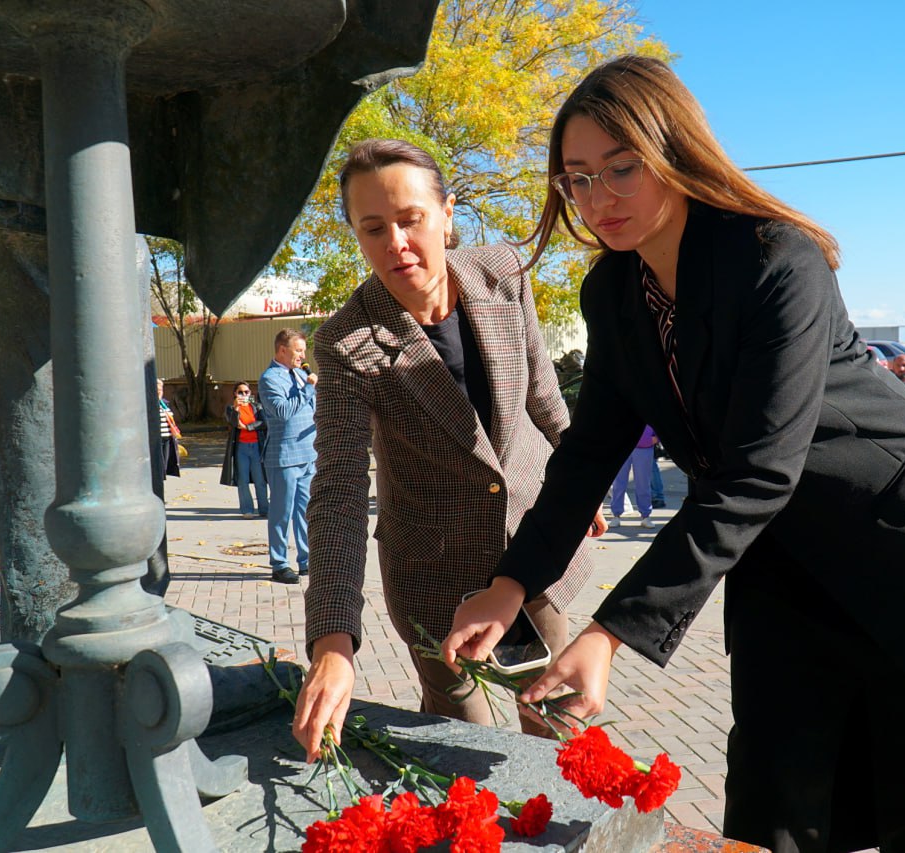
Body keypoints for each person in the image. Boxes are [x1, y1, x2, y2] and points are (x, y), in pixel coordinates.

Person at [443, 56, 905, 853]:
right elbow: (587, 453)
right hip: (782, 562)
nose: (596, 198)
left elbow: (757, 469)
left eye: (621, 168)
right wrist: (510, 582)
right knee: (768, 802)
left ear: (674, 152)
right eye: (575, 178)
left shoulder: (778, 258)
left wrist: (608, 633)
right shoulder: (612, 292)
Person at [291, 139, 599, 758]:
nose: (395, 244)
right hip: (435, 580)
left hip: (535, 544)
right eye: (372, 228)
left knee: (561, 727)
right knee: (464, 748)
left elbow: (544, 398)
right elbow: (340, 494)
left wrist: (579, 484)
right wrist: (333, 638)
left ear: (447, 212)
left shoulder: (504, 272)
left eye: (410, 220)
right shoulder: (347, 342)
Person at [259, 329, 317, 584]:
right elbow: (282, 411)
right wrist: (308, 390)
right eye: (298, 350)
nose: (303, 356)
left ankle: (306, 561)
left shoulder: (300, 374)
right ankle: (280, 563)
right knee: (281, 512)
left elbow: (310, 409)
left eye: (303, 351)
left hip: (308, 453)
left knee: (305, 512)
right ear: (282, 350)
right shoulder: (270, 378)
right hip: (284, 456)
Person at [220, 382, 268, 519]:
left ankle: (264, 509)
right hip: (241, 447)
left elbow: (264, 423)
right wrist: (236, 409)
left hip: (256, 446)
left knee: (260, 479)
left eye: (246, 392)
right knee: (243, 480)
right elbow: (233, 423)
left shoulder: (257, 407)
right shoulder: (230, 408)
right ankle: (247, 510)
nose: (244, 395)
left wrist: (248, 427)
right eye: (240, 392)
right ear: (235, 394)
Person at [609, 425, 657, 528]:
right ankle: (616, 515)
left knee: (643, 483)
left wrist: (657, 438)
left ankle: (645, 516)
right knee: (618, 483)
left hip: (644, 448)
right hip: (623, 447)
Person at [156, 378, 182, 478]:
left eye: (160, 390)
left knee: (164, 467)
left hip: (167, 439)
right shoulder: (149, 404)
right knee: (158, 467)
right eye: (157, 390)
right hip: (156, 440)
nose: (159, 392)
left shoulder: (164, 404)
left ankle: (160, 487)